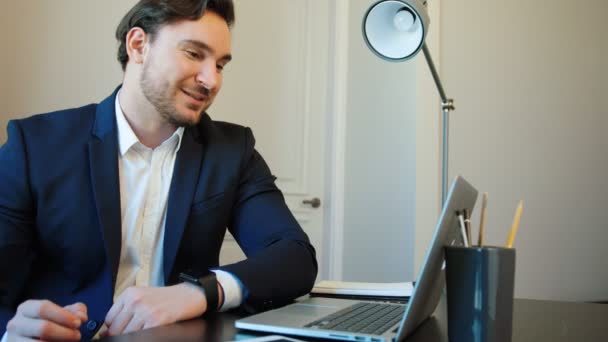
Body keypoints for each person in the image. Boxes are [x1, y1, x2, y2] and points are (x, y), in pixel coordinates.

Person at [0, 0, 318, 340]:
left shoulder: (232, 150)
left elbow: (295, 257)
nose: (211, 80)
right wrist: (10, 333)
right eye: (195, 54)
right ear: (138, 45)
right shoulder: (35, 145)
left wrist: (199, 291)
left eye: (221, 64)